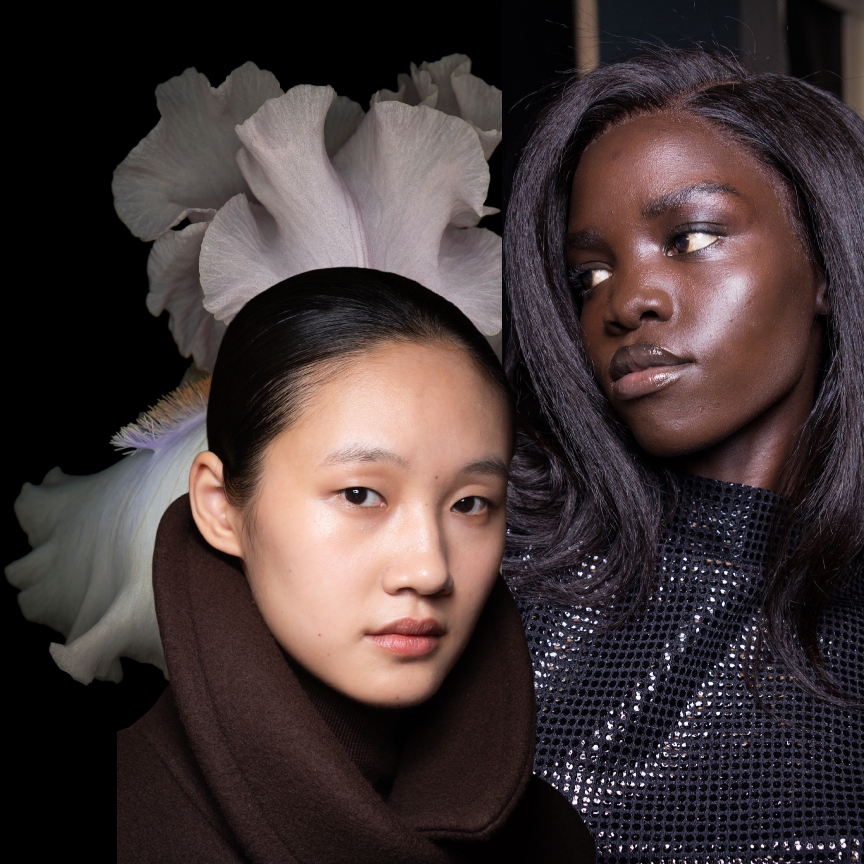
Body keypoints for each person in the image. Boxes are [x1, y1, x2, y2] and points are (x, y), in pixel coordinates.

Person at [504, 49, 863, 860]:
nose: (628, 302)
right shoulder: (499, 588)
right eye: (588, 275)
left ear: (826, 263)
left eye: (691, 237)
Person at [116, 268, 595, 863]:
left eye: (470, 504)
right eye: (361, 495)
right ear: (221, 507)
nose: (428, 570)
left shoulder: (552, 839)